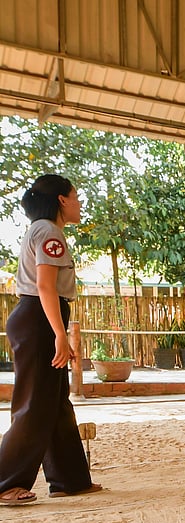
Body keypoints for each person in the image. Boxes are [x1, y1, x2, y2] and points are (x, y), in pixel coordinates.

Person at [0, 174, 102, 505]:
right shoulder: (48, 231)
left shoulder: (45, 231)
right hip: (39, 317)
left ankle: (69, 480)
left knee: (55, 402)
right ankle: (5, 482)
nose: (79, 202)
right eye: (75, 196)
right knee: (33, 405)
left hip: (40, 315)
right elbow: (45, 286)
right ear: (61, 200)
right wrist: (59, 333)